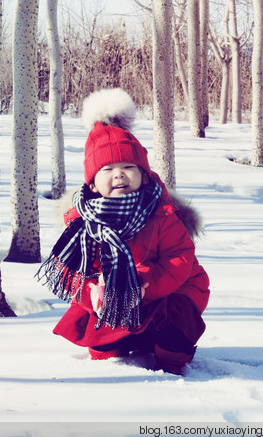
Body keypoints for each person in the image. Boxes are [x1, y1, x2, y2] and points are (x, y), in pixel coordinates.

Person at [36, 88, 210, 375]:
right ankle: (116, 353)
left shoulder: (160, 214)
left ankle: (170, 359)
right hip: (114, 295)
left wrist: (142, 282)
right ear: (92, 184)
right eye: (108, 169)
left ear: (143, 175)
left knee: (176, 323)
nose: (119, 174)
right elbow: (73, 272)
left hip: (166, 291)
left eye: (128, 166)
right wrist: (90, 292)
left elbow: (180, 259)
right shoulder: (83, 223)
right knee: (101, 341)